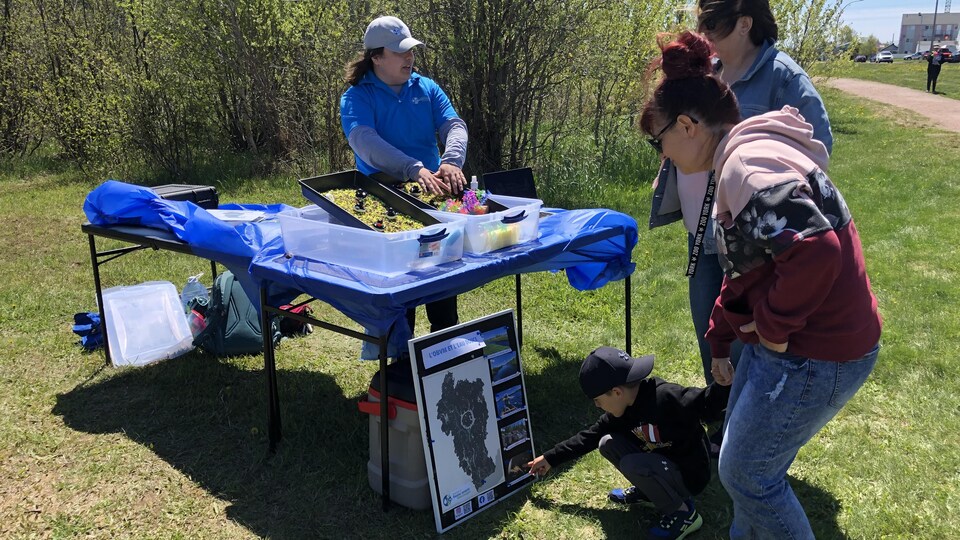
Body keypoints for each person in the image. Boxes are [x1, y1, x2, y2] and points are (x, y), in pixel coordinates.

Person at [640, 31, 882, 539]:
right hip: (811, 341)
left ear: (686, 125)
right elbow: (752, 265)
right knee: (741, 462)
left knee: (749, 474)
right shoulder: (744, 150)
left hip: (820, 349)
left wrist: (771, 329)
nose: (660, 153)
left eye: (657, 139)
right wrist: (722, 336)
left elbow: (816, 252)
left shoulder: (746, 166)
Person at [649, 0, 833, 390]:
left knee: (750, 334)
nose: (705, 34)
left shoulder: (783, 77)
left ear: (745, 24)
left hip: (752, 236)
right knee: (712, 330)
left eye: (712, 24)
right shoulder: (708, 71)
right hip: (702, 232)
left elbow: (815, 151)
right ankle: (721, 416)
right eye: (701, 24)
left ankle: (748, 416)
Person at [340, 16, 468, 345]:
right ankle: (398, 365)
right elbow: (365, 142)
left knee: (441, 280)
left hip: (432, 193)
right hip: (382, 200)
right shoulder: (356, 97)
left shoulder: (426, 88)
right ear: (376, 58)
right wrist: (412, 168)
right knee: (399, 289)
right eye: (400, 52)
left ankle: (444, 355)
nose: (409, 57)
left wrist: (452, 161)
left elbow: (453, 125)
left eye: (411, 51)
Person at [527, 347, 731, 540]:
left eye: (597, 400)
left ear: (616, 392)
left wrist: (722, 384)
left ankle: (684, 514)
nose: (597, 406)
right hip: (662, 465)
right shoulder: (621, 413)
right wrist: (550, 458)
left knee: (633, 464)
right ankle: (651, 493)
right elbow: (588, 437)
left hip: (689, 474)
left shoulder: (666, 397)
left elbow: (706, 403)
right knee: (607, 443)